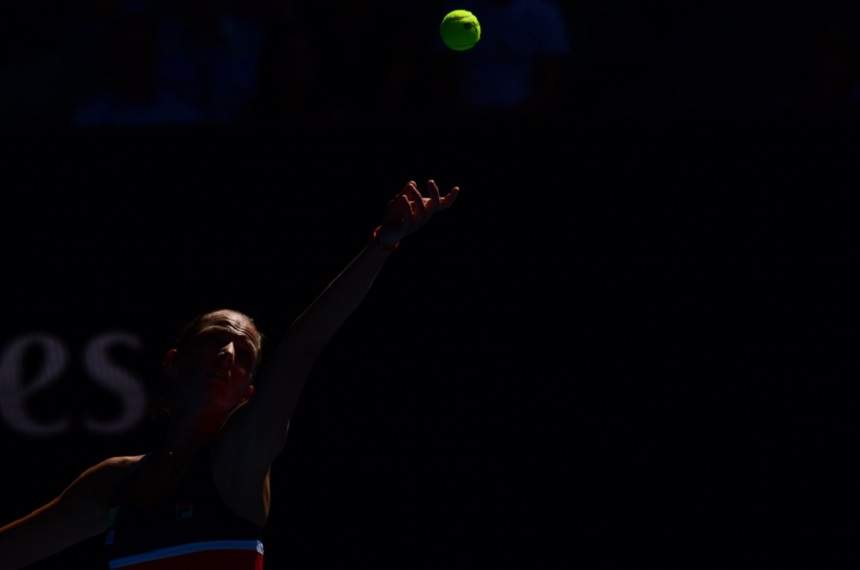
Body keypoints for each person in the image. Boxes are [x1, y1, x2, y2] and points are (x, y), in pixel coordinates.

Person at [0, 179, 461, 569]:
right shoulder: (111, 482)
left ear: (249, 391)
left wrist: (381, 244)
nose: (228, 353)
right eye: (215, 339)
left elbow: (304, 344)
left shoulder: (239, 459)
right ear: (174, 361)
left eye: (244, 354)